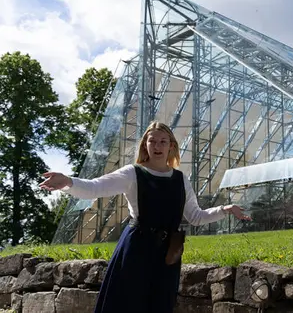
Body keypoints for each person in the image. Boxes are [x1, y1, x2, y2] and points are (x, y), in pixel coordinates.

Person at [40, 121, 251, 313]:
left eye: (163, 141)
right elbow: (96, 188)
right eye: (152, 141)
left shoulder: (180, 179)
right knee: (128, 305)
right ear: (145, 145)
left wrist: (226, 209)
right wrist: (67, 181)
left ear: (171, 146)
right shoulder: (133, 173)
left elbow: (195, 216)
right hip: (136, 250)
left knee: (160, 305)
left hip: (168, 254)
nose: (157, 146)